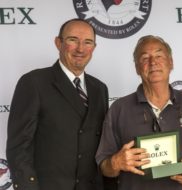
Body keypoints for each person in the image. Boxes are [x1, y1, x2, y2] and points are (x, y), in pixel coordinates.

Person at [6, 18, 114, 190]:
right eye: (73, 40)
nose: (80, 49)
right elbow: (19, 148)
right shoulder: (34, 82)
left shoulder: (100, 89)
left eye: (88, 42)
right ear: (58, 43)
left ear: (93, 47)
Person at [95, 35, 182, 190]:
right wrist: (116, 162)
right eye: (145, 58)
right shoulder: (119, 108)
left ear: (171, 62)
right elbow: (104, 166)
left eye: (159, 56)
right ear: (136, 67)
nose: (153, 62)